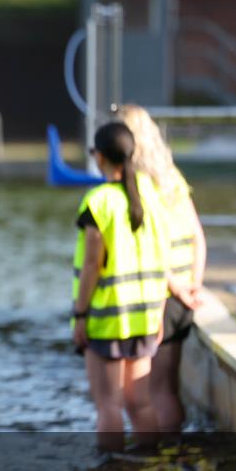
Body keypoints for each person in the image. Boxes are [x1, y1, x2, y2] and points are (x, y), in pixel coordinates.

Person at [71, 121, 192, 453]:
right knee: (140, 402)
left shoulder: (98, 202)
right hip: (144, 316)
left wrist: (80, 315)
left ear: (99, 157)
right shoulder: (150, 196)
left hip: (107, 318)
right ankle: (147, 467)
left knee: (108, 404)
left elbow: (93, 264)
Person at [117, 104, 205, 434]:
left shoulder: (137, 185)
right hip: (185, 294)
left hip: (162, 296)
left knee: (154, 391)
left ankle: (159, 464)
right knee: (169, 386)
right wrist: (193, 283)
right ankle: (176, 455)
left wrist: (174, 287)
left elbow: (149, 248)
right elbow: (198, 233)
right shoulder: (172, 178)